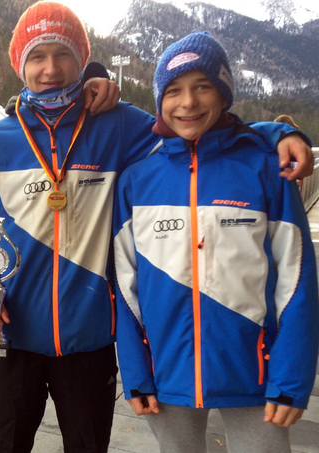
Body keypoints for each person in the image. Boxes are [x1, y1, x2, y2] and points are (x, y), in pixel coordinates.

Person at [0, 2, 313, 452]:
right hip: (13, 333)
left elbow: (194, 131)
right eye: (37, 56)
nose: (51, 69)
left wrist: (272, 133)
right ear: (19, 65)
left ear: (81, 59)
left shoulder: (121, 124)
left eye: (63, 54)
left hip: (88, 340)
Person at [113, 31, 319, 453]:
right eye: (173, 91)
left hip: (254, 374)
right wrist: (135, 372)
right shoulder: (137, 180)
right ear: (159, 100)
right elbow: (124, 285)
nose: (187, 102)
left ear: (224, 94)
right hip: (166, 372)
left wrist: (292, 377)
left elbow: (297, 281)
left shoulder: (266, 169)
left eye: (202, 86)